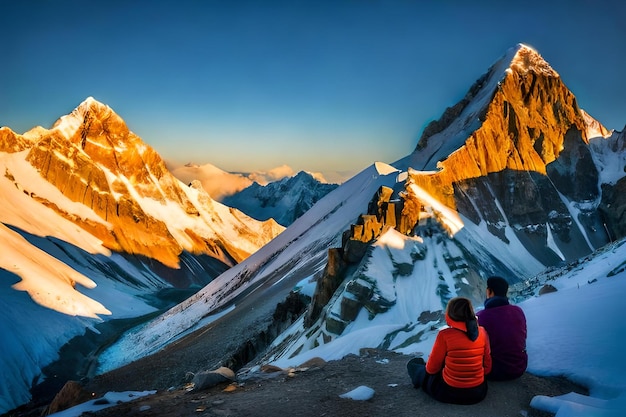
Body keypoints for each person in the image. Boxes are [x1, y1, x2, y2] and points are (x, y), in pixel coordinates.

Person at [407, 297, 492, 405]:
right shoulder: (482, 332)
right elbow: (487, 367)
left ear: (450, 314)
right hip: (478, 392)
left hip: (450, 391)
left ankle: (415, 369)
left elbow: (432, 369)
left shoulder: (445, 335)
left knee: (421, 371)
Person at [476, 276, 527, 380]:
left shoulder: (481, 316)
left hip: (493, 371)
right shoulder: (518, 311)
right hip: (519, 367)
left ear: (489, 291)